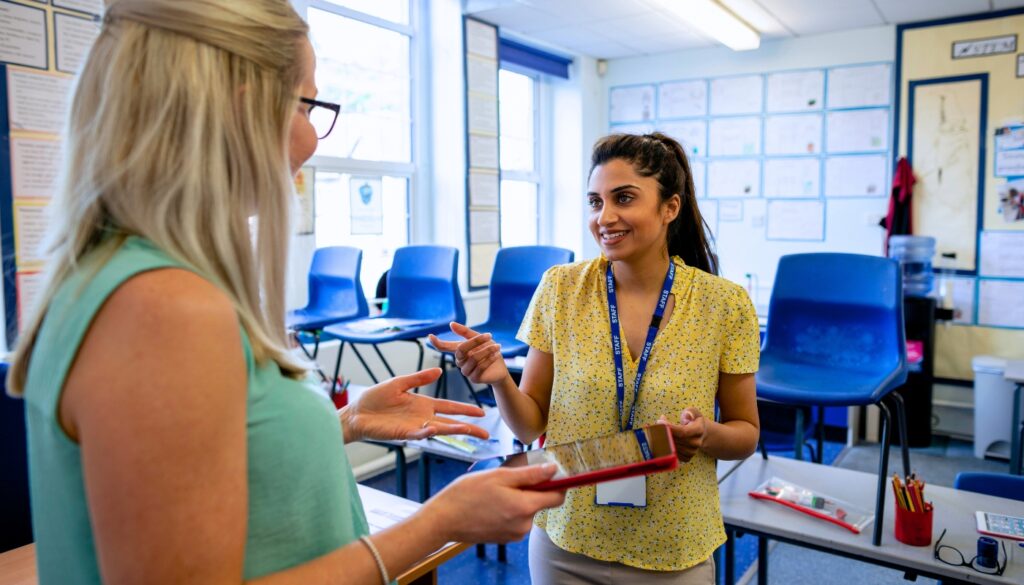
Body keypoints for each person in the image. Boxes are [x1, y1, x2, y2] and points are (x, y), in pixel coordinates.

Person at [6, 1, 564, 583]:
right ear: (241, 104)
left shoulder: (115, 278)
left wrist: (343, 423)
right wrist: (439, 521)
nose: (311, 138)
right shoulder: (164, 310)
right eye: (308, 104)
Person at [431, 132, 761, 584]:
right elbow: (530, 424)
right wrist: (498, 381)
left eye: (623, 198)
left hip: (673, 547)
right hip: (566, 538)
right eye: (595, 201)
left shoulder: (723, 304)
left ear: (670, 208)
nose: (604, 217)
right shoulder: (561, 288)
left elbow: (745, 434)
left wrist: (704, 435)